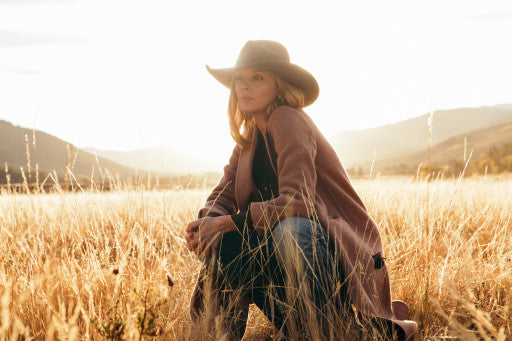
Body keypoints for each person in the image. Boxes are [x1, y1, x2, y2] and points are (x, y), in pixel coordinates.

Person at [185, 40, 418, 340]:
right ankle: (222, 335)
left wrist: (226, 222)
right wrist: (207, 222)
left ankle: (331, 330)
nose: (245, 87)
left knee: (290, 230)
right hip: (289, 261)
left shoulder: (287, 118)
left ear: (279, 85)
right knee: (223, 242)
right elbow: (224, 192)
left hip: (328, 249)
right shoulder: (250, 137)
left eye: (258, 77)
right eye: (240, 78)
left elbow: (298, 202)